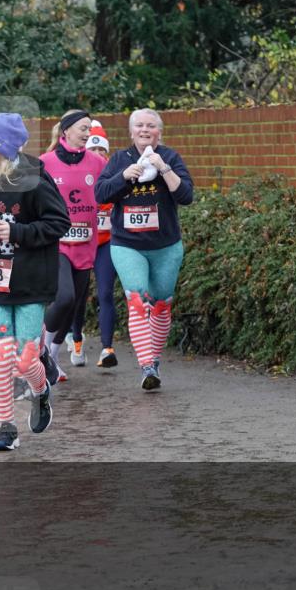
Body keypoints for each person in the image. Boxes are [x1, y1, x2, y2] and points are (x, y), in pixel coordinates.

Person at [0, 113, 70, 452]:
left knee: (24, 360)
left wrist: (19, 232)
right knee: (1, 355)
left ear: (1, 147)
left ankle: (40, 389)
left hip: (31, 281)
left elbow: (59, 222)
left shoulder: (34, 180)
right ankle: (7, 427)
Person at [95, 108, 194, 390]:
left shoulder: (170, 157)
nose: (144, 130)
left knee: (161, 304)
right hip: (127, 245)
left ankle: (155, 360)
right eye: (139, 125)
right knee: (138, 299)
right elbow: (100, 194)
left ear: (159, 131)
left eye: (150, 125)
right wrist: (123, 176)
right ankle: (147, 365)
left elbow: (186, 196)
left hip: (166, 246)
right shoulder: (119, 160)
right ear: (131, 131)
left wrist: (163, 168)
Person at [38, 110, 106, 385]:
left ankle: (52, 359)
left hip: (85, 243)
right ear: (65, 131)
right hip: (56, 244)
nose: (88, 133)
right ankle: (39, 349)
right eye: (83, 128)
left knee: (74, 304)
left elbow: (110, 189)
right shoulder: (45, 162)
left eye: (90, 128)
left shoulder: (97, 162)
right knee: (64, 297)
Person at [69, 119, 119, 368]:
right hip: (80, 242)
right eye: (93, 149)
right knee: (77, 296)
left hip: (105, 243)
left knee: (105, 293)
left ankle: (107, 348)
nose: (98, 153)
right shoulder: (76, 174)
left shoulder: (115, 174)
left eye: (102, 149)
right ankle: (76, 340)